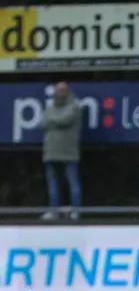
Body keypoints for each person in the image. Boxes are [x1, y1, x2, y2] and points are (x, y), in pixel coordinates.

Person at [41, 82, 83, 221]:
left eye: (63, 90)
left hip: (69, 152)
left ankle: (75, 211)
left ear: (68, 91)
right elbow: (42, 122)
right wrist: (54, 120)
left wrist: (52, 120)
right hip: (51, 152)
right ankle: (54, 211)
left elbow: (65, 120)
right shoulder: (50, 108)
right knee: (52, 184)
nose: (60, 93)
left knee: (73, 182)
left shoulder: (74, 107)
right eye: (58, 90)